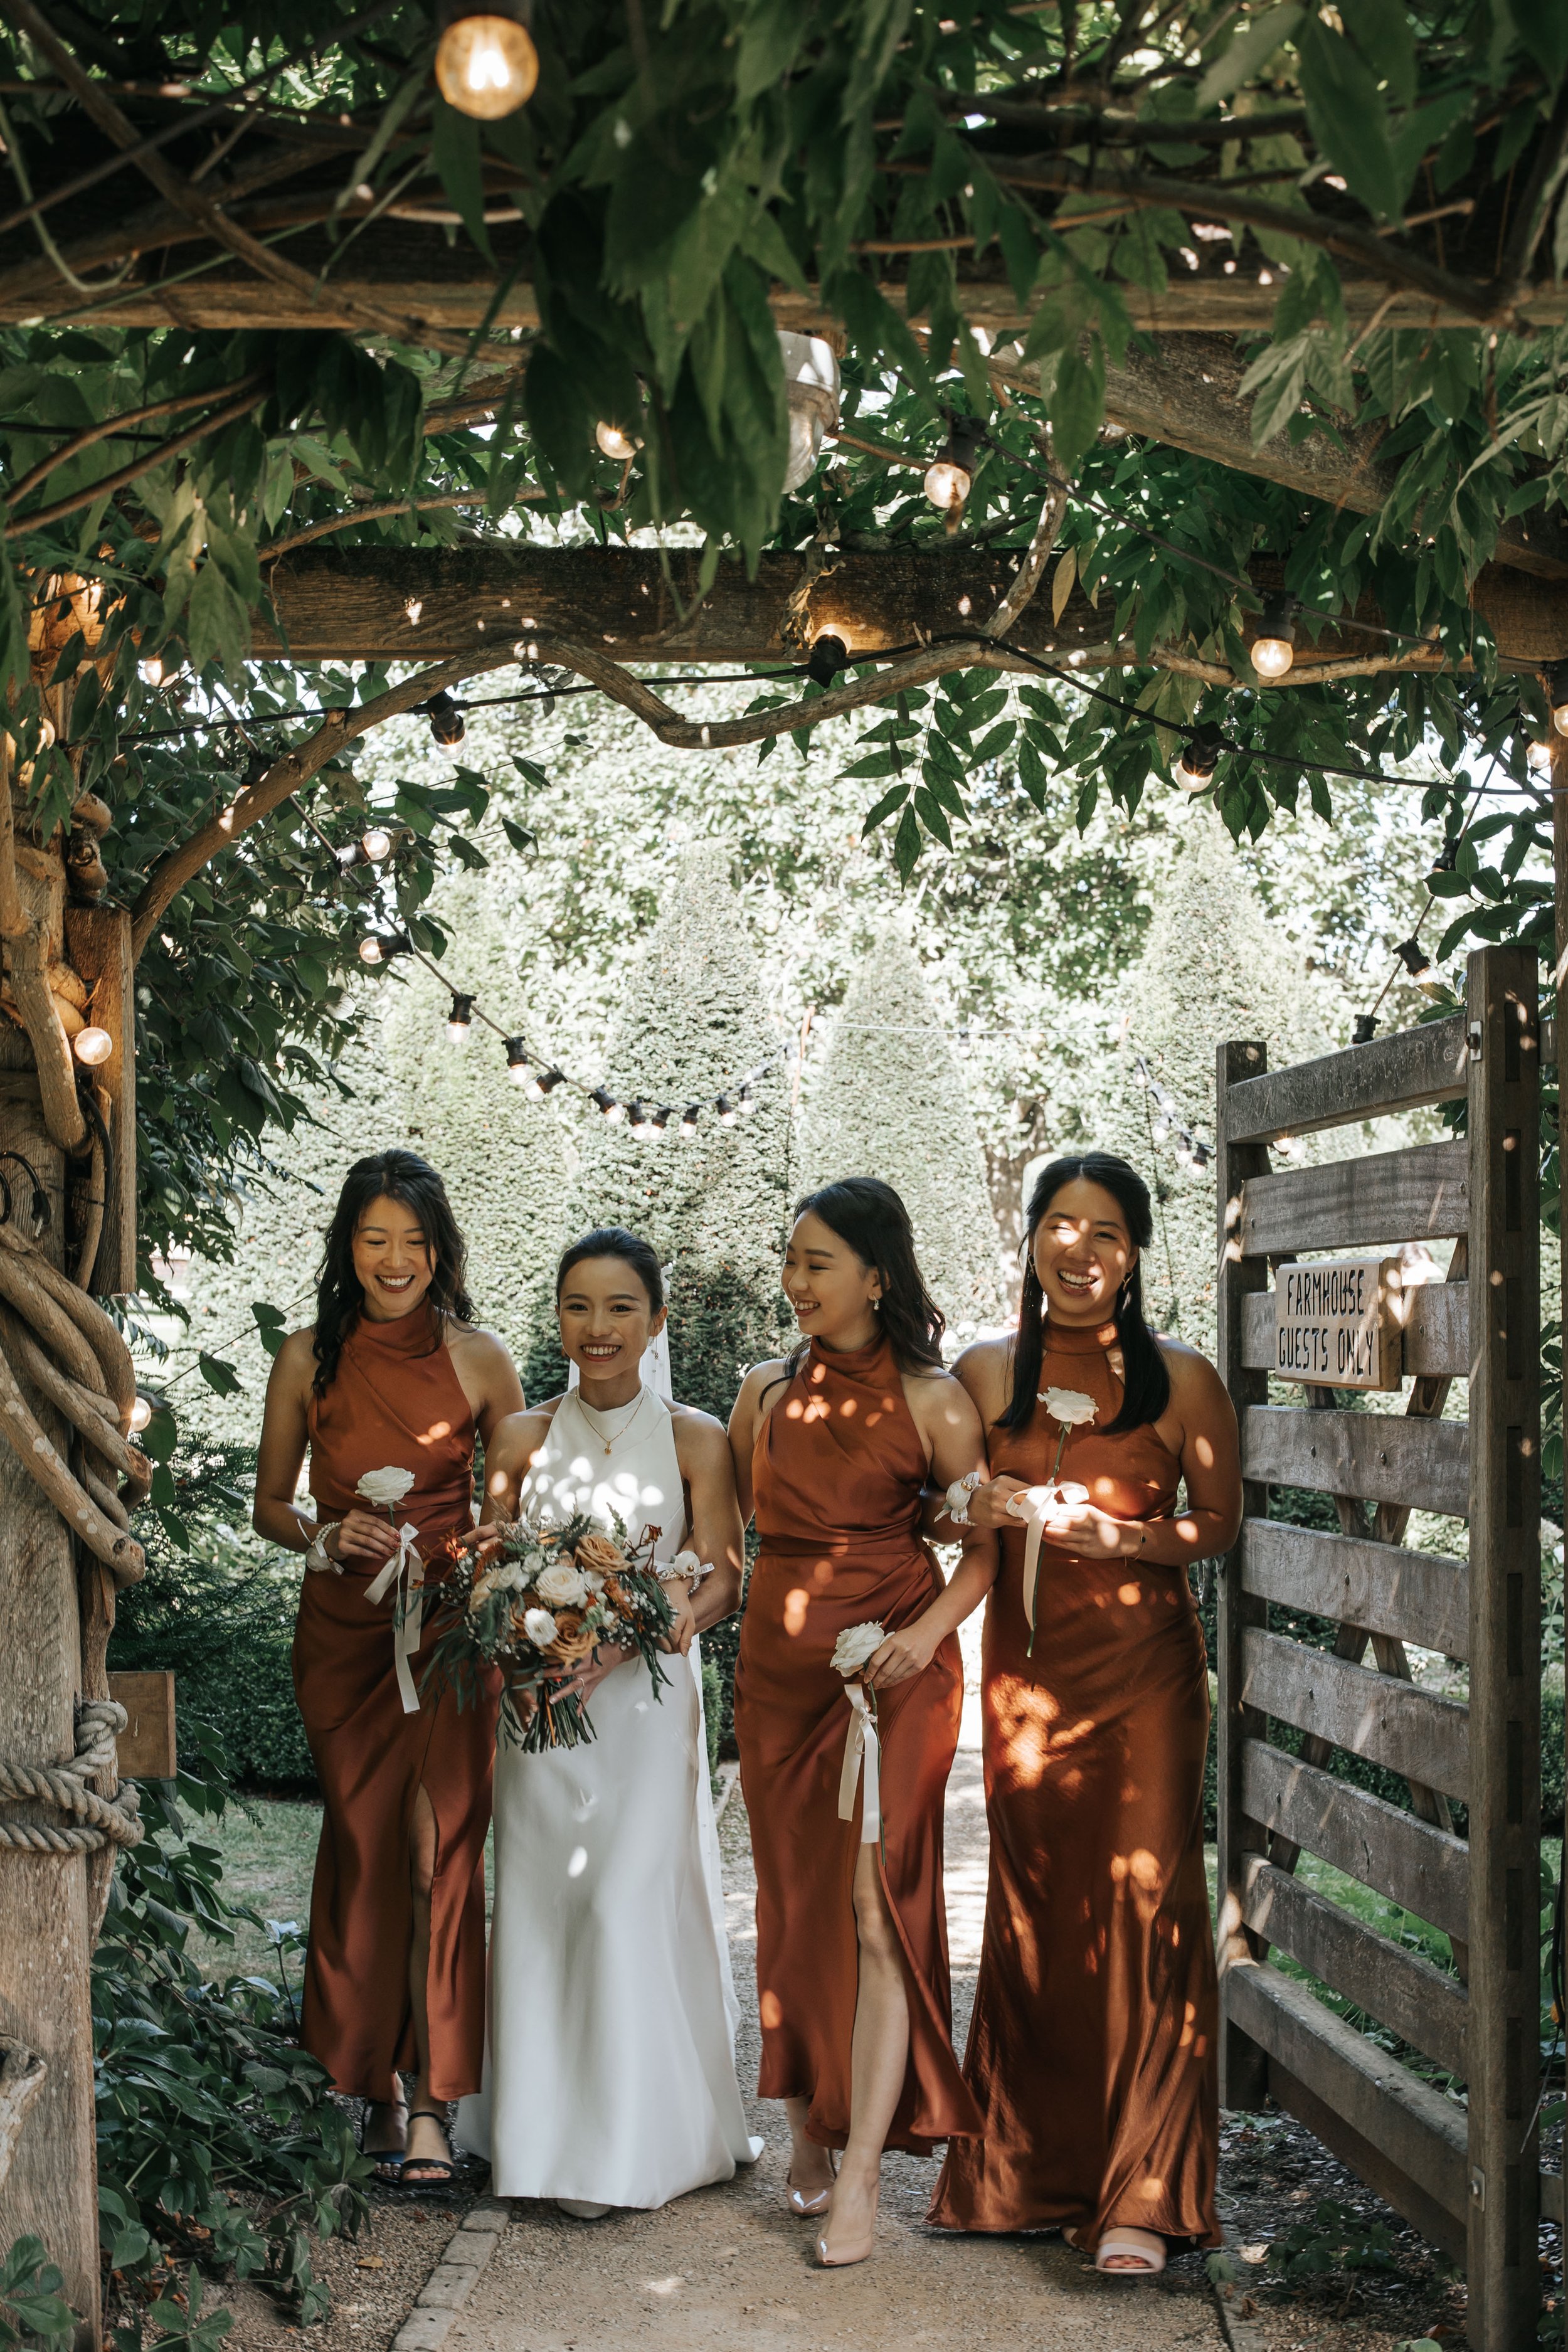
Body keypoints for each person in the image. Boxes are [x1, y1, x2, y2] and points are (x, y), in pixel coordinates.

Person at [927, 1152, 1241, 2274]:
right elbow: (928, 1493)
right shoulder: (982, 1371)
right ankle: (1026, 2169)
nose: (1080, 1248)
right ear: (1030, 1240)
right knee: (1039, 1907)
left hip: (1147, 1680)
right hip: (1027, 1683)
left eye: (1105, 1230)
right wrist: (977, 1498)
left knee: (1149, 1904)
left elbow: (1217, 1524)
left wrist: (1128, 1538)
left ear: (1137, 1254)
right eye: (1060, 1224)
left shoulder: (1183, 1379)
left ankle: (1143, 2198)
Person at [455, 1228, 760, 2212]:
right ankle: (540, 2140)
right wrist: (525, 1643)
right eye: (579, 1306)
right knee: (547, 1906)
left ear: (656, 1320)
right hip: (542, 1715)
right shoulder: (519, 1436)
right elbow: (489, 1568)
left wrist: (636, 1634)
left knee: (625, 1897)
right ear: (558, 1317)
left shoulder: (698, 1436)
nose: (598, 1327)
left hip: (645, 1707)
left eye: (621, 1307)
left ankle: (635, 2144)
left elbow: (724, 1572)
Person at [729, 1179, 995, 2270]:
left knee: (876, 1906)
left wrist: (925, 1635)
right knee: (793, 1905)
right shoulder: (760, 1391)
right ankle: (803, 2122)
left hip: (897, 1670)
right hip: (778, 1673)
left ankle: (865, 2179)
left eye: (817, 1262)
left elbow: (980, 1549)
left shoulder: (936, 1401)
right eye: (789, 1260)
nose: (795, 1282)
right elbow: (750, 1529)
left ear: (876, 1275)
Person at [253, 1150, 524, 2186]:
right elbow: (272, 1505)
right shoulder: (305, 1356)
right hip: (344, 1638)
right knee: (364, 1851)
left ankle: (431, 2103)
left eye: (414, 1240)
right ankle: (365, 2085)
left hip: (448, 1638)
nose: (396, 1259)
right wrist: (328, 1540)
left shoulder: (483, 1359)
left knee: (436, 1851)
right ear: (348, 1247)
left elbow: (509, 1513)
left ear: (441, 1248)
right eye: (376, 1238)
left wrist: (479, 1560)